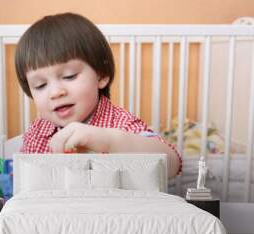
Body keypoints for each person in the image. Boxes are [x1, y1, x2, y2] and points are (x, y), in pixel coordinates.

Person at [15, 12, 182, 178]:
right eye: (40, 85)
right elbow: (25, 181)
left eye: (69, 76)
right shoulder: (38, 131)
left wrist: (109, 140)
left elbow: (172, 164)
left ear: (101, 75)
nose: (56, 92)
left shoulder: (120, 123)